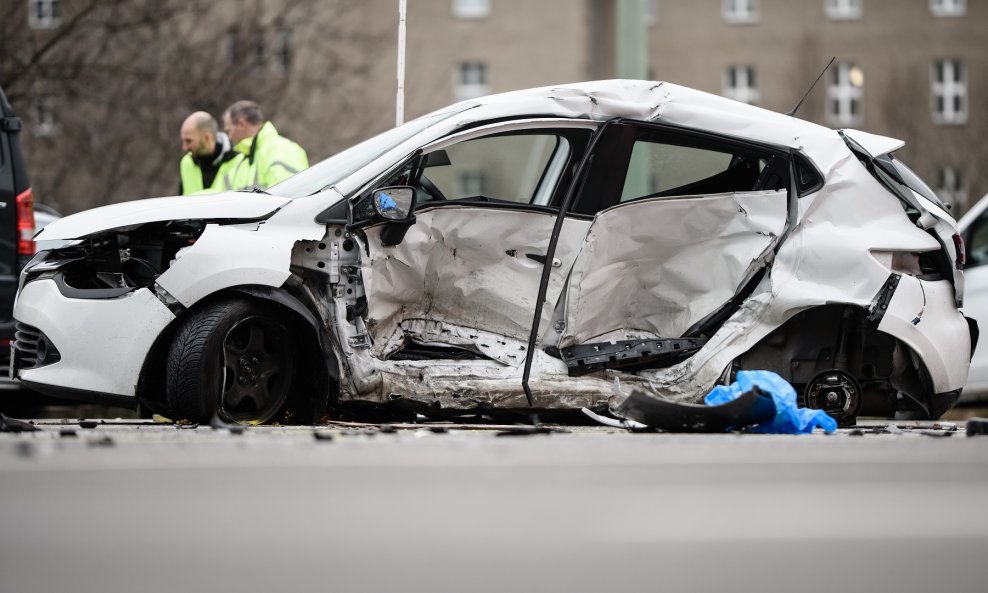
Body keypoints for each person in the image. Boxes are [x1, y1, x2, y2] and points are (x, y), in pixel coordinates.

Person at [222, 100, 308, 191]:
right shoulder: (241, 161)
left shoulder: (282, 149)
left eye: (229, 131)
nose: (229, 138)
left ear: (241, 124)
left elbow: (288, 194)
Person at [178, 111, 243, 195]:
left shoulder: (239, 161)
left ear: (207, 137)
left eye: (189, 141)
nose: (185, 147)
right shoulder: (186, 162)